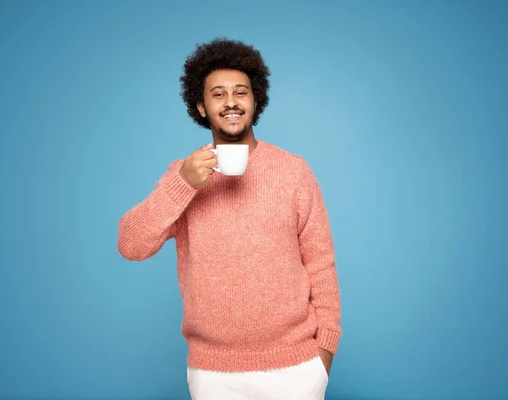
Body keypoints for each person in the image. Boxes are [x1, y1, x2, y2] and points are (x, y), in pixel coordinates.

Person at [117, 37, 342, 400]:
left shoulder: (293, 171)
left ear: (255, 101)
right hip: (212, 374)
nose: (232, 102)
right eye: (218, 94)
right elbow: (130, 244)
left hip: (296, 368)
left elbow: (321, 264)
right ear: (201, 107)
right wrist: (182, 184)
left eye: (241, 92)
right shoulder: (184, 175)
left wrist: (323, 356)